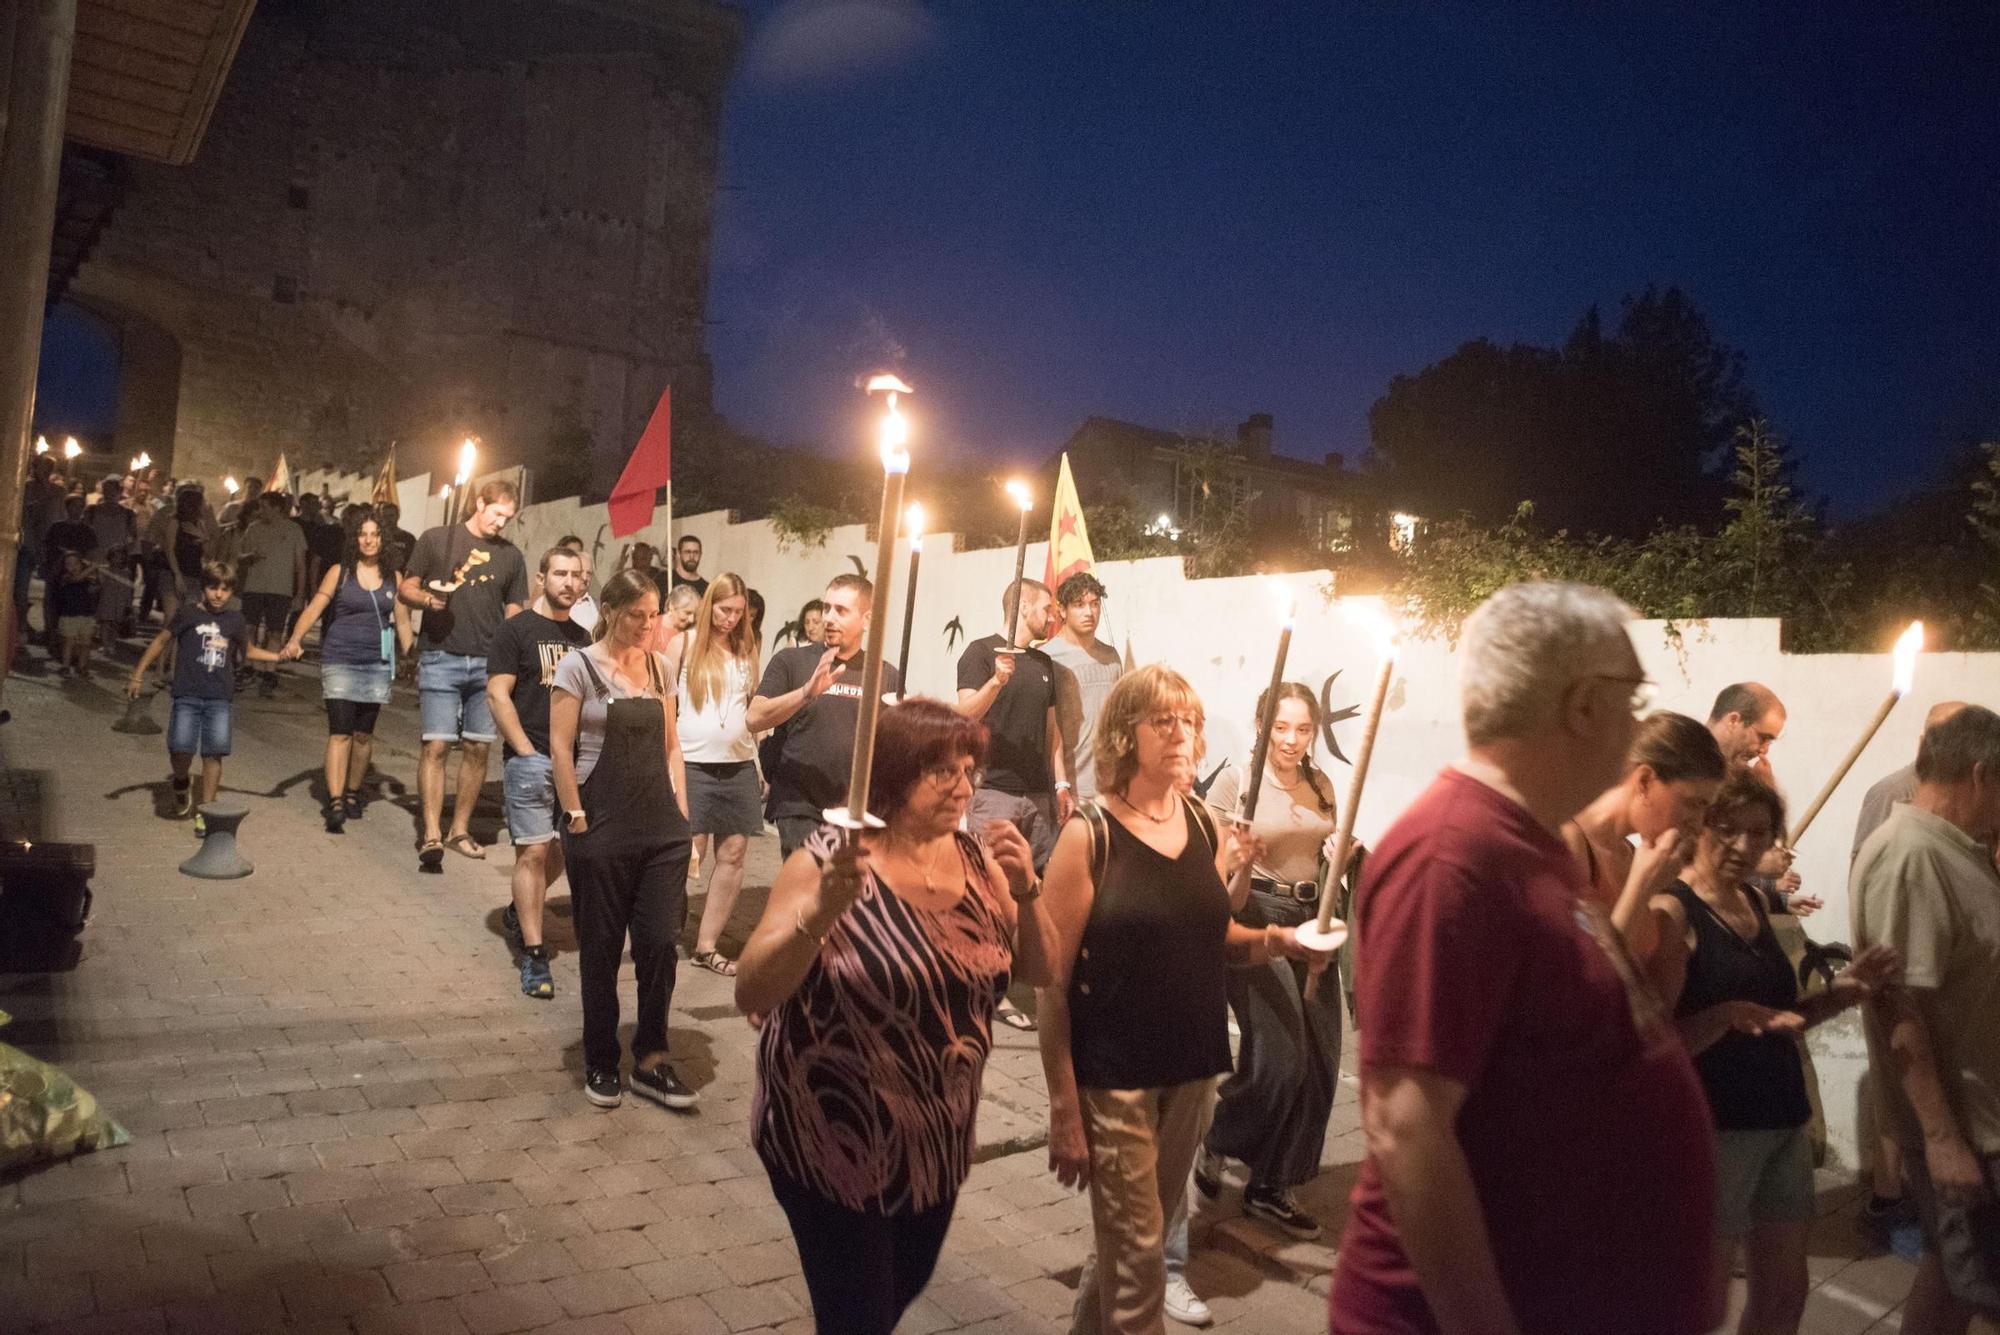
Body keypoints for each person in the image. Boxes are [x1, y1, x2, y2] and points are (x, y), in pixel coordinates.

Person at [1327, 581, 1721, 1335]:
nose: (1639, 722)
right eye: (1632, 696)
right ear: (1582, 705)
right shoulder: (1454, 854)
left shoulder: (1531, 845)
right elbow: (1408, 1124)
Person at [737, 697, 1056, 1334]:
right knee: (858, 1316)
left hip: (935, 1139)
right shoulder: (829, 860)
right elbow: (752, 993)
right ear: (891, 772)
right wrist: (818, 917)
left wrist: (1027, 890)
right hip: (829, 1135)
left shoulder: (977, 862)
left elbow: (1039, 972)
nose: (963, 787)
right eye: (943, 771)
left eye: (970, 770)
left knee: (897, 1291)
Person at [1038, 664, 1330, 1333]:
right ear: (1123, 732)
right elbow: (1050, 979)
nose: (1181, 733)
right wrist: (1062, 1104)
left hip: (1193, 1068)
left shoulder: (1202, 822)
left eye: (1190, 721)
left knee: (1125, 1252)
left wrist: (1282, 938)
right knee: (1139, 1254)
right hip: (1115, 1076)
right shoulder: (1092, 833)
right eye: (1162, 720)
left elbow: (1217, 936)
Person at [1647, 771, 1898, 1335]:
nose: (1742, 845)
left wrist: (1845, 992)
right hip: (1716, 1130)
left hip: (1782, 1121)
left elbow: (1785, 1018)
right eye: (1727, 829)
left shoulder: (1759, 903)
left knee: (1786, 1295)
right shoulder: (1672, 912)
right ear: (1700, 825)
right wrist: (1724, 1014)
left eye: (1758, 833)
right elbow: (1655, 1044)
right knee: (1700, 1306)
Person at [1851, 704, 2000, 1335]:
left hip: (1982, 1121)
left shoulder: (1956, 848)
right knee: (1973, 1279)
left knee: (1953, 1279)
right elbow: (1899, 1004)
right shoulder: (1912, 856)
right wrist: (1942, 1140)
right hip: (1967, 1128)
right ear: (1980, 774)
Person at [1189, 683, 1345, 1242]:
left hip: (1318, 914)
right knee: (1281, 1055)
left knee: (1322, 1060)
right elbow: (1213, 870)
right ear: (1262, 725)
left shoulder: (1321, 783)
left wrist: (1341, 852)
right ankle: (1219, 1138)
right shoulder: (1238, 783)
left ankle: (1273, 1184)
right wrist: (1235, 857)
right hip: (1258, 912)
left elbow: (1328, 843)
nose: (1292, 740)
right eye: (1282, 727)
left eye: (1303, 729)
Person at [549, 569, 696, 1111]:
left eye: (653, 614)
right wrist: (576, 818)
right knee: (602, 952)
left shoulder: (661, 667)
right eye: (636, 614)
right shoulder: (578, 667)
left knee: (659, 943)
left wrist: (684, 820)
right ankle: (601, 1060)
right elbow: (561, 749)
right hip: (601, 828)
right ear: (609, 610)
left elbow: (672, 747)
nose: (646, 625)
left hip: (661, 832)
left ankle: (653, 1059)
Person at [400, 479, 529, 870]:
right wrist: (426, 600)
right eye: (496, 513)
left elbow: (515, 608)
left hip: (488, 665)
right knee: (436, 746)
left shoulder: (511, 556)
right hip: (441, 655)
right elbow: (406, 588)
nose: (500, 523)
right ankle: (431, 833)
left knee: (477, 749)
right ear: (479, 503)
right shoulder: (437, 539)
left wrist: (512, 652)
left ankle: (458, 829)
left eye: (508, 517)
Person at [485, 546, 591, 1000]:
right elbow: (497, 694)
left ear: (585, 584)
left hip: (575, 764)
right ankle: (533, 952)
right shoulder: (517, 630)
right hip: (530, 759)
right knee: (531, 854)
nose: (568, 582)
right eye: (560, 573)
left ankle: (518, 907)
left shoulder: (586, 640)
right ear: (543, 577)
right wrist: (525, 751)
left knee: (563, 853)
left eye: (577, 576)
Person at [1562, 711, 1728, 991]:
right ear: (1645, 781)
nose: (1698, 825)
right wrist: (1641, 889)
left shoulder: (1630, 853)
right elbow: (1582, 985)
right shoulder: (1570, 843)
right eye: (1692, 803)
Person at [749, 573, 903, 857]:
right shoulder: (791, 661)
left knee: (843, 897)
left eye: (841, 611)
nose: (829, 618)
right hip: (799, 804)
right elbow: (754, 718)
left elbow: (893, 748)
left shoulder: (885, 674)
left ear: (867, 620)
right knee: (808, 893)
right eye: (826, 607)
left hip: (855, 809)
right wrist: (806, 692)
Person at [281, 516, 412, 833]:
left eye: (375, 534)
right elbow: (314, 608)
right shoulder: (339, 573)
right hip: (340, 659)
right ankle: (336, 799)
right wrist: (295, 639)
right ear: (355, 540)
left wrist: (410, 655)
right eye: (362, 535)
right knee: (340, 732)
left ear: (383, 540)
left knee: (363, 735)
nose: (368, 540)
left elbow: (403, 620)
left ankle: (354, 791)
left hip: (376, 663)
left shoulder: (394, 577)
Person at [128, 562, 282, 830]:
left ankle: (207, 809)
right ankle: (180, 781)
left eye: (225, 589)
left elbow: (250, 651)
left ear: (232, 591)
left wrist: (279, 655)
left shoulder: (235, 620)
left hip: (219, 698)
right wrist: (138, 673)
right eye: (213, 588)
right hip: (187, 694)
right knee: (180, 749)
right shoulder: (187, 614)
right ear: (203, 588)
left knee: (213, 754)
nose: (219, 595)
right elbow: (161, 641)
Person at [956, 578, 1074, 868]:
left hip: (1038, 798)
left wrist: (1061, 784)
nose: (1052, 617)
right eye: (1046, 609)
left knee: (1036, 883)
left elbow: (1052, 730)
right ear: (1023, 607)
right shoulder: (980, 652)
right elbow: (964, 717)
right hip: (992, 794)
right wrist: (996, 682)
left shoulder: (1043, 663)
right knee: (989, 879)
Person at [678, 573, 762, 976]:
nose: (730, 619)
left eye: (738, 612)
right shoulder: (686, 644)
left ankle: (706, 945)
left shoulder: (747, 649)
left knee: (733, 852)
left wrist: (759, 762)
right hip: (693, 762)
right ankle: (662, 928)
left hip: (738, 763)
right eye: (724, 609)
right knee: (688, 850)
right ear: (710, 603)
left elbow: (754, 709)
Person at [1709, 681, 1819, 917]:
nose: (1764, 750)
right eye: (1763, 738)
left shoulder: (1737, 773)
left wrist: (1774, 900)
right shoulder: (1694, 767)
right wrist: (1755, 861)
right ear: (1734, 721)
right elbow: (1684, 851)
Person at [1045, 572, 1125, 803]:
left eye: (1094, 604)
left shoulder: (1111, 656)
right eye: (1079, 605)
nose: (1089, 612)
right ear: (1062, 610)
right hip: (1065, 789)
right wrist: (1060, 783)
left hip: (1109, 787)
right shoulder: (1047, 657)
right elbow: (1045, 729)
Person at [235, 492, 307, 698]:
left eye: (265, 507)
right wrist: (249, 557)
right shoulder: (253, 528)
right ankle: (247, 666)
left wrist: (300, 593)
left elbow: (300, 565)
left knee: (275, 632)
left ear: (277, 508)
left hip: (280, 589)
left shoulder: (294, 530)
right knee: (249, 628)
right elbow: (240, 556)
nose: (261, 511)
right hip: (254, 587)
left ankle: (269, 671)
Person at [86, 476, 138, 650]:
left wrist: (123, 556)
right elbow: (85, 532)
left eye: (112, 490)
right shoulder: (92, 511)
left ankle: (109, 638)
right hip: (94, 560)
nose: (109, 494)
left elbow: (133, 538)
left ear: (119, 492)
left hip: (116, 563)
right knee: (95, 598)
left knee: (112, 601)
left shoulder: (128, 514)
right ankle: (93, 633)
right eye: (106, 490)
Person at [49, 551, 98, 678]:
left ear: (82, 564)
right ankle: (65, 666)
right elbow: (76, 579)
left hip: (86, 615)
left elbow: (93, 590)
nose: (73, 566)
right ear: (63, 566)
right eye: (68, 564)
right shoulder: (65, 578)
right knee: (68, 642)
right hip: (69, 616)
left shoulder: (87, 579)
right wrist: (92, 568)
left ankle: (81, 667)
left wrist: (96, 577)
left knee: (86, 643)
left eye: (76, 563)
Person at [377, 501, 417, 574]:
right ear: (380, 517)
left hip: (402, 579)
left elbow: (414, 563)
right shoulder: (376, 537)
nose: (388, 519)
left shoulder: (409, 538)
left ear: (398, 516)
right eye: (385, 516)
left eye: (391, 515)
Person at [670, 533, 707, 599]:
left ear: (700, 554)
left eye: (696, 552)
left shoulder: (706, 588)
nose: (692, 557)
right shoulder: (664, 579)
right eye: (687, 552)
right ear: (678, 553)